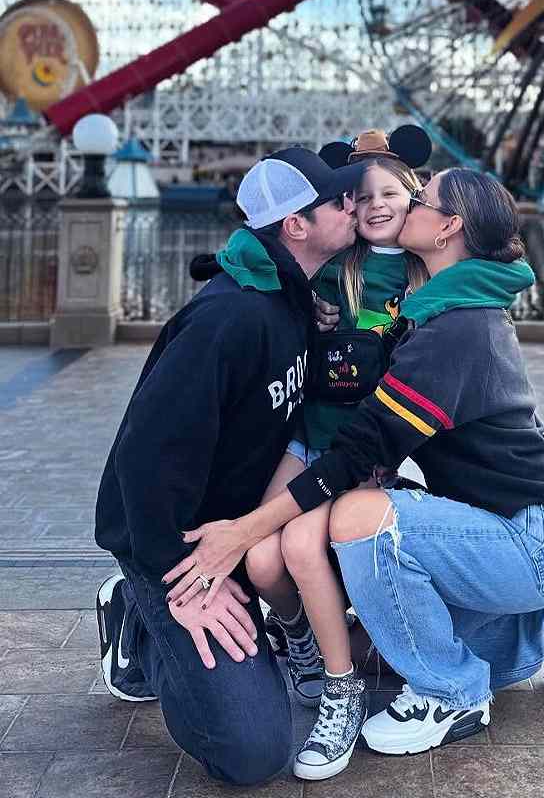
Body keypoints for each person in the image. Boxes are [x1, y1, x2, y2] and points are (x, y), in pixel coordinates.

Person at [159, 168, 544, 761]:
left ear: (448, 228)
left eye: (420, 200)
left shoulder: (457, 329)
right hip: (515, 522)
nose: (407, 205)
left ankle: (452, 695)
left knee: (359, 519)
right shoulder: (448, 308)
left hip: (529, 540)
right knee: (371, 644)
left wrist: (242, 532)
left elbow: (356, 453)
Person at [93, 147, 360, 785]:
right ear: (296, 225)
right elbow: (141, 458)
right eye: (337, 200)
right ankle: (139, 613)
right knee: (251, 754)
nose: (352, 205)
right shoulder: (227, 318)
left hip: (232, 530)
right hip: (177, 546)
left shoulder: (291, 299)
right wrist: (177, 583)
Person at [240, 128, 434, 780]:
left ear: (413, 196)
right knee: (260, 558)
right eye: (360, 196)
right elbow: (277, 278)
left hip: (368, 452)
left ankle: (341, 686)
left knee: (298, 547)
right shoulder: (335, 267)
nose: (373, 205)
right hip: (310, 436)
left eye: (388, 194)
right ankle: (302, 638)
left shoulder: (423, 277)